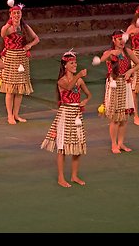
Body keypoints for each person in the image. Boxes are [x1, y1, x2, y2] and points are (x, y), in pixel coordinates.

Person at [41, 50, 91, 188]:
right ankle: (61, 178)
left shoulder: (79, 80)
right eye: (72, 63)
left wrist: (86, 101)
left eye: (75, 62)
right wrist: (79, 75)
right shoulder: (61, 80)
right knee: (62, 147)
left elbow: (88, 94)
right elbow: (69, 87)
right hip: (65, 114)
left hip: (77, 115)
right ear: (65, 66)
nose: (75, 65)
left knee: (78, 146)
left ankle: (74, 175)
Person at [94, 30, 139, 154]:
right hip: (114, 85)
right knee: (115, 118)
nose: (122, 41)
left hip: (125, 85)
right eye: (119, 39)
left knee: (124, 118)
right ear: (113, 40)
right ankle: (114, 144)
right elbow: (102, 59)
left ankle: (121, 143)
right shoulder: (109, 53)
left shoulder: (128, 52)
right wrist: (111, 53)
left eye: (123, 39)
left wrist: (130, 72)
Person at [0, 0, 40, 124]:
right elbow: (2, 34)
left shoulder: (25, 26)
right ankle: (9, 115)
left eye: (19, 13)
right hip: (10, 57)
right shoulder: (8, 27)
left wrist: (29, 46)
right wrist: (10, 23)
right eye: (14, 13)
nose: (17, 15)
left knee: (20, 89)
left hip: (22, 58)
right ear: (10, 14)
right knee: (10, 89)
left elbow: (36, 39)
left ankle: (16, 114)